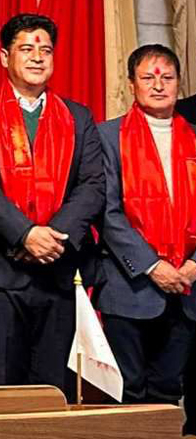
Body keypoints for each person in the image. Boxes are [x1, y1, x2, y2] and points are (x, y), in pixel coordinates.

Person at [0, 13, 104, 397]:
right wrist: (24, 233)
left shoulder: (77, 116)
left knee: (53, 389)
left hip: (60, 271)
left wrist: (53, 237)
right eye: (26, 48)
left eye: (45, 50)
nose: (37, 57)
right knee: (2, 389)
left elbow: (93, 185)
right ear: (4, 57)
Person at [95, 44, 196, 410]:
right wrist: (153, 266)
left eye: (167, 77)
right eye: (148, 78)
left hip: (187, 285)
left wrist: (193, 265)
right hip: (130, 285)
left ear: (179, 83)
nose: (158, 85)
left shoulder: (194, 136)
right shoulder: (107, 137)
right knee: (129, 391)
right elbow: (107, 212)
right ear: (131, 84)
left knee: (169, 389)